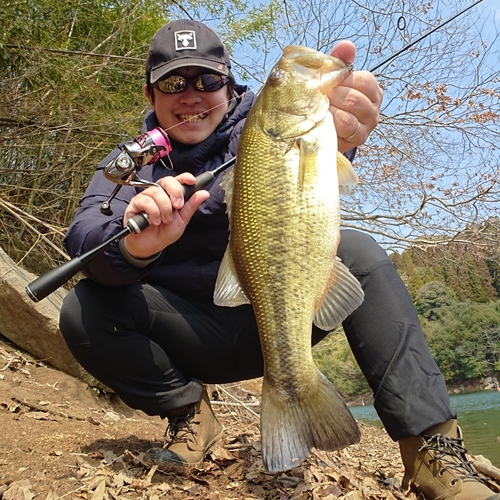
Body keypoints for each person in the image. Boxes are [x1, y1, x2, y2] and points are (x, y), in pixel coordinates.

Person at [58, 19, 500, 500]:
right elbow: (83, 235)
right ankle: (190, 415)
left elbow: (327, 159)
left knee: (360, 251)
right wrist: (134, 246)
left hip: (270, 320)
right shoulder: (129, 164)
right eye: (174, 82)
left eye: (208, 80)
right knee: (85, 308)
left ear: (229, 86)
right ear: (151, 96)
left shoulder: (262, 127)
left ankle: (432, 448)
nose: (192, 94)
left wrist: (344, 121)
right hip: (187, 337)